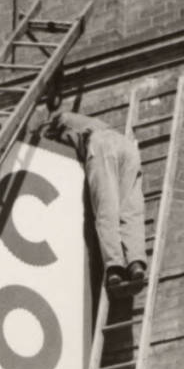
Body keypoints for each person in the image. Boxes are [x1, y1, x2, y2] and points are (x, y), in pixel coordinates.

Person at [40, 94, 148, 301]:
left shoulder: (59, 122)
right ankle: (135, 262)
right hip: (127, 147)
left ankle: (115, 267)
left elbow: (47, 137)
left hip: (101, 145)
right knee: (131, 210)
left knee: (107, 208)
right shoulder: (89, 123)